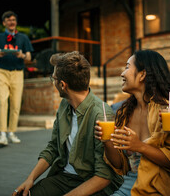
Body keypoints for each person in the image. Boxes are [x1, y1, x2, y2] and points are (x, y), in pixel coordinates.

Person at [13, 51, 122, 196]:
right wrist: (30, 179)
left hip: (94, 183)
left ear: (62, 85)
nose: (53, 81)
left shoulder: (101, 115)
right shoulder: (64, 106)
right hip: (65, 177)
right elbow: (53, 148)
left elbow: (103, 176)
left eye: (54, 78)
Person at [95, 49, 170, 195]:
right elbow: (120, 165)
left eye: (127, 67)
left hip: (158, 189)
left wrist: (140, 146)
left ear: (142, 74)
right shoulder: (124, 113)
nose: (122, 73)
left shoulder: (166, 112)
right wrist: (106, 140)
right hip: (129, 187)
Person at [0, 11, 34, 146]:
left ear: (16, 22)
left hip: (17, 73)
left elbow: (29, 58)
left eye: (13, 20)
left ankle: (12, 132)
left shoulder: (23, 38)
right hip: (2, 72)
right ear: (4, 23)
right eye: (8, 20)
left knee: (15, 104)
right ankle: (2, 134)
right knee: (2, 101)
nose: (11, 22)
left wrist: (21, 55)